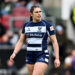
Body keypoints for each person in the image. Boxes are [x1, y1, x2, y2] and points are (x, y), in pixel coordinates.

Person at [9, 6, 60, 75]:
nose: (39, 14)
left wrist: (57, 58)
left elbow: (54, 42)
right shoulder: (26, 26)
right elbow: (21, 41)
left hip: (42, 55)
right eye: (36, 12)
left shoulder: (47, 25)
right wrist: (14, 53)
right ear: (31, 14)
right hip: (30, 56)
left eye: (40, 12)